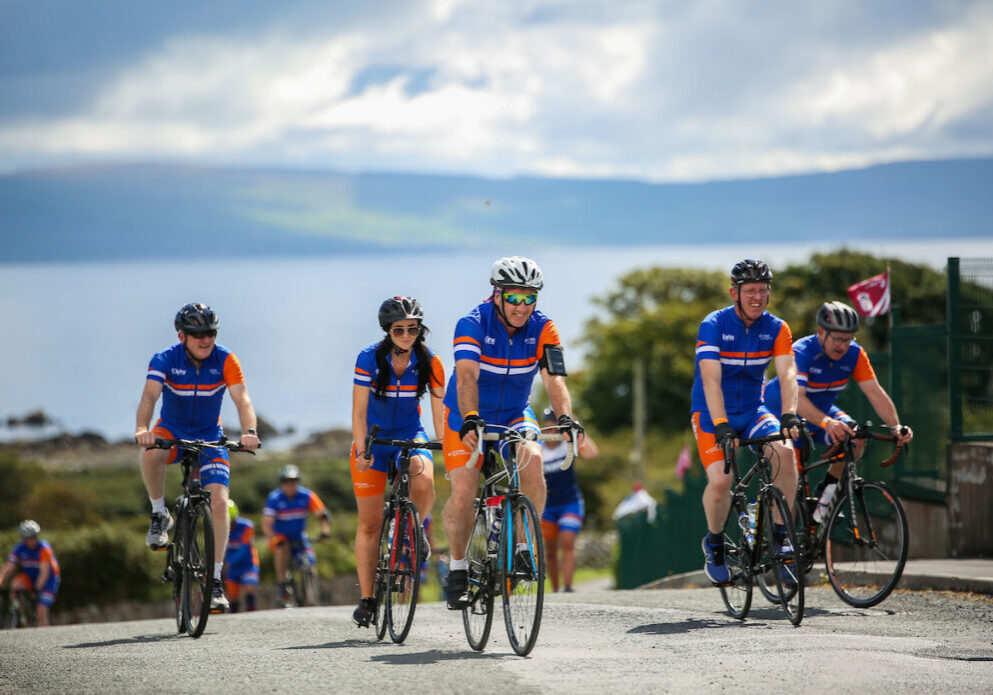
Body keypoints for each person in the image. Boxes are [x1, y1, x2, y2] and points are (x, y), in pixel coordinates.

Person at [442, 256, 584, 609]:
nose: (522, 307)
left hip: (514, 414)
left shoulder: (544, 328)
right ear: (497, 295)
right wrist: (471, 417)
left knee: (533, 460)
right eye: (515, 298)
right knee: (463, 490)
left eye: (529, 298)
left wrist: (565, 417)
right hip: (466, 415)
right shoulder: (472, 323)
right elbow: (466, 376)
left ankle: (523, 548)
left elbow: (554, 378)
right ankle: (458, 566)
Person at [134, 302, 260, 613]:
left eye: (211, 333)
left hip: (209, 436)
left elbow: (241, 397)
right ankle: (159, 512)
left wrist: (250, 430)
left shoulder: (226, 359)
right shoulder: (164, 359)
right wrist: (142, 428)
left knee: (219, 502)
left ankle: (215, 581)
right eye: (198, 334)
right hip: (172, 431)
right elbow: (150, 395)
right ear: (182, 336)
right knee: (150, 453)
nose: (206, 340)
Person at [690, 259, 802, 585]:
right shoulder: (713, 324)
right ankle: (714, 543)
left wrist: (790, 413)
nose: (757, 297)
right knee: (722, 482)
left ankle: (780, 543)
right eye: (750, 291)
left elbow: (788, 373)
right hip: (712, 415)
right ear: (734, 293)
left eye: (763, 291)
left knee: (785, 454)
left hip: (754, 410)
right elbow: (710, 380)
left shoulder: (777, 328)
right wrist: (722, 423)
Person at [763, 301, 914, 519]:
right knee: (790, 487)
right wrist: (827, 423)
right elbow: (798, 399)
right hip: (784, 416)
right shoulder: (801, 352)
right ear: (821, 332)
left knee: (855, 438)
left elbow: (875, 392)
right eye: (837, 339)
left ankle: (825, 496)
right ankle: (787, 547)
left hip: (821, 412)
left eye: (848, 339)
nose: (842, 346)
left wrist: (895, 426)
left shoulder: (855, 354)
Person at [349, 296, 445, 627]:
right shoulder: (369, 359)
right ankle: (367, 598)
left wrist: (447, 443)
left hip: (409, 434)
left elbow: (440, 417)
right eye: (400, 329)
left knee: (424, 475)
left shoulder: (431, 362)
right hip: (374, 440)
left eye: (413, 329)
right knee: (371, 524)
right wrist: (362, 451)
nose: (407, 334)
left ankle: (413, 530)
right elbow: (358, 413)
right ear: (388, 331)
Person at [539, 407, 599, 593]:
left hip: (569, 502)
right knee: (549, 551)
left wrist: (574, 422)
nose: (551, 430)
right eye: (548, 426)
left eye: (555, 426)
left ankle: (567, 587)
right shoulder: (538, 448)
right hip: (547, 506)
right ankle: (556, 590)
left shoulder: (567, 443)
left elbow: (591, 454)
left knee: (567, 543)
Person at [262, 464, 332, 606]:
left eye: (293, 481)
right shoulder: (274, 498)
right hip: (281, 537)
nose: (290, 485)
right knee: (282, 549)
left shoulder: (307, 495)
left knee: (310, 563)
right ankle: (282, 584)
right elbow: (266, 524)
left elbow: (322, 514)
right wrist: (273, 537)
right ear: (282, 483)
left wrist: (325, 531)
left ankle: (309, 597)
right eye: (286, 481)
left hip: (300, 537)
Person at [0, 520, 60, 627]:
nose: (32, 540)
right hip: (30, 576)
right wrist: (1, 578)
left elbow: (44, 573)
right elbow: (9, 565)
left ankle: (44, 632)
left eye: (34, 537)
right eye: (28, 538)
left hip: (48, 579)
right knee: (15, 586)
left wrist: (36, 590)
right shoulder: (20, 548)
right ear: (23, 538)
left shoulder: (44, 549)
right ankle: (21, 617)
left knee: (41, 610)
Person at [224, 499, 260, 613]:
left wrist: (228, 562)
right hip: (232, 569)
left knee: (249, 587)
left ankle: (252, 611)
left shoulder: (247, 526)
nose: (229, 525)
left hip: (248, 564)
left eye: (231, 522)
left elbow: (244, 548)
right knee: (233, 597)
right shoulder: (219, 529)